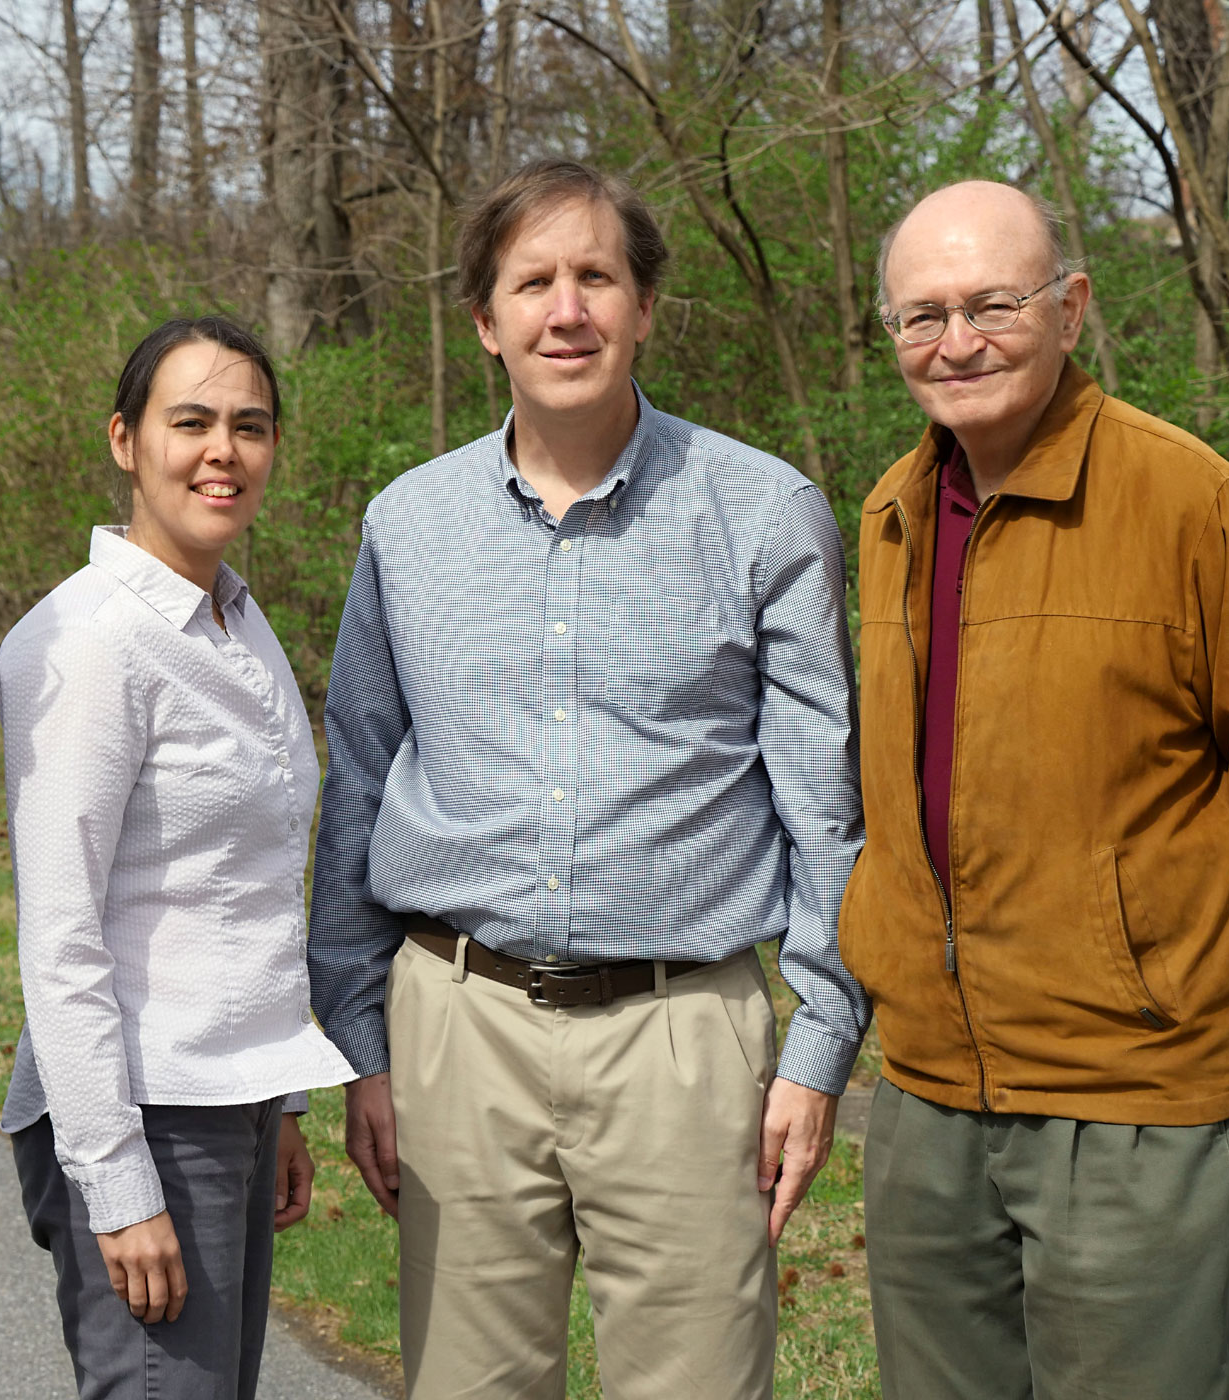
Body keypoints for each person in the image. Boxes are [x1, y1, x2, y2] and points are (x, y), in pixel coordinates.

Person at [308, 158, 867, 1399]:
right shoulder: (409, 525)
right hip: (458, 1024)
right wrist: (361, 1044)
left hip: (682, 1035)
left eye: (595, 277)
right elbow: (356, 777)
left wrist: (818, 1046)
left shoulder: (764, 513)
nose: (567, 310)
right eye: (533, 282)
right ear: (484, 322)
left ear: (645, 306)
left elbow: (823, 806)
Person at [845, 179, 1229, 1400]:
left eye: (991, 302)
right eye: (921, 315)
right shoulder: (890, 511)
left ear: (1070, 307)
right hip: (926, 1093)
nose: (956, 340)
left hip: (1133, 1097)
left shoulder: (1194, 503)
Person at [0, 316, 355, 1400]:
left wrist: (281, 1101)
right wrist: (116, 1180)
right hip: (141, 1109)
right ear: (123, 439)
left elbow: (250, 889)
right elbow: (55, 933)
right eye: (189, 421)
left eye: (249, 425)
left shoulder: (236, 621)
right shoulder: (89, 639)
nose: (222, 450)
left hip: (230, 1096)